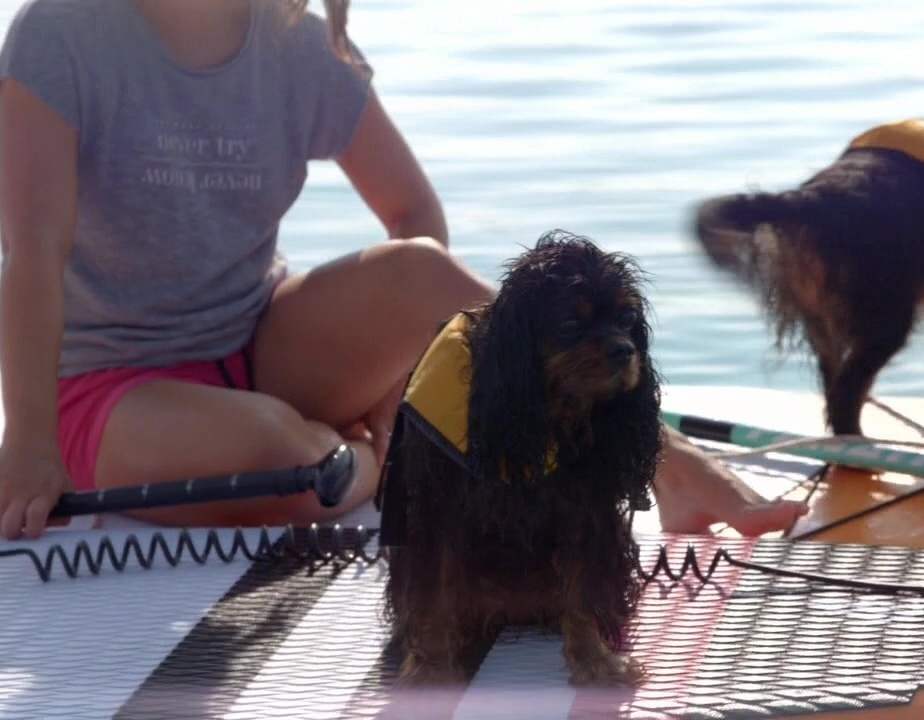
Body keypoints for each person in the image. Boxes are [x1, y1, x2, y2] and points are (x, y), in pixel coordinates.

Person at [0, 0, 808, 541]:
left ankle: (661, 457)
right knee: (289, 462)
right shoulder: (62, 33)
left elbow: (413, 212)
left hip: (264, 343)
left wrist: (402, 380)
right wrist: (30, 445)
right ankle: (370, 460)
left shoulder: (294, 40)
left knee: (422, 271)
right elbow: (31, 250)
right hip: (109, 385)